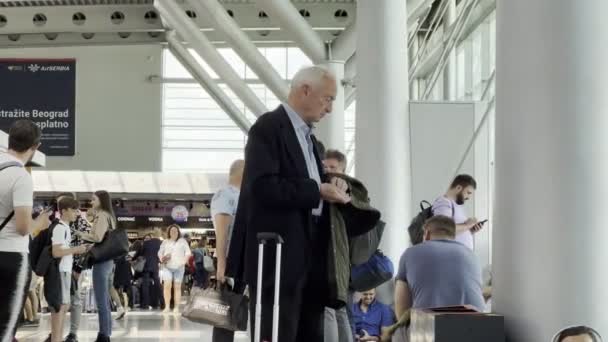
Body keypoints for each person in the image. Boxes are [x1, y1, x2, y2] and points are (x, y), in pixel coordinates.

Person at [227, 65, 351, 341]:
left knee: (310, 331)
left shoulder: (309, 139)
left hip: (309, 257)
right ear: (305, 90)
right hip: (277, 257)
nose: (330, 108)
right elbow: (262, 186)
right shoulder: (269, 129)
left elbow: (304, 181)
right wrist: (317, 190)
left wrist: (332, 184)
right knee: (278, 331)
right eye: (328, 98)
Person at [0, 120, 50, 342]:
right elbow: (22, 227)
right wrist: (39, 223)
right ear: (35, 146)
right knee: (5, 329)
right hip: (12, 258)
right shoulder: (21, 177)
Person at [394, 216, 485, 320]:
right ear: (453, 235)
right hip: (477, 324)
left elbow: (401, 310)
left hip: (431, 326)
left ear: (426, 233)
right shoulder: (472, 255)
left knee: (399, 330)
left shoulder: (410, 253)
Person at [75, 191, 117, 342]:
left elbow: (97, 237)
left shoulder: (102, 215)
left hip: (101, 260)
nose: (91, 202)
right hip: (109, 260)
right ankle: (106, 333)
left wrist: (80, 234)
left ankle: (104, 335)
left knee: (101, 300)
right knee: (104, 299)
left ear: (101, 200)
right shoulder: (110, 216)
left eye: (94, 199)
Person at [211, 159, 244, 342]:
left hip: (240, 258)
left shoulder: (241, 195)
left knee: (232, 311)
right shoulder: (225, 194)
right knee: (224, 315)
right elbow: (222, 232)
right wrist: (222, 266)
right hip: (230, 259)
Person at [322, 149, 353, 342]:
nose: (328, 170)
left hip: (335, 261)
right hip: (343, 263)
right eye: (325, 166)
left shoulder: (346, 192)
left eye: (333, 167)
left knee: (328, 310)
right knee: (340, 310)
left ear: (343, 170)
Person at [49, 197, 88, 342]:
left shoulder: (65, 227)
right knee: (60, 309)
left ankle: (57, 338)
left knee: (63, 307)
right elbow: (56, 252)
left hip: (65, 270)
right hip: (60, 271)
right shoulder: (60, 228)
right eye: (73, 209)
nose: (76, 213)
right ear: (64, 211)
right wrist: (76, 249)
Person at [432, 174, 484, 250]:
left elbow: (456, 232)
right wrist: (467, 225)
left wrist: (470, 230)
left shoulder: (457, 206)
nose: (468, 197)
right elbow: (443, 230)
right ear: (458, 188)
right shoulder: (443, 202)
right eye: (468, 193)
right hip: (452, 257)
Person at [158, 224, 191, 314]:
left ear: (178, 232)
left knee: (177, 287)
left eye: (175, 231)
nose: (174, 232)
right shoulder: (165, 242)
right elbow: (160, 253)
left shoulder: (183, 241)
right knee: (167, 286)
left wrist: (184, 261)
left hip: (179, 268)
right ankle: (167, 307)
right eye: (172, 231)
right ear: (169, 232)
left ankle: (176, 307)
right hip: (167, 267)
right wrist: (162, 258)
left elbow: (188, 253)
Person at [134, 233, 162, 310]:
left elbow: (139, 254)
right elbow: (160, 254)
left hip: (146, 267)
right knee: (157, 284)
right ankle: (162, 303)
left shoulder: (144, 245)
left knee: (145, 286)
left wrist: (133, 259)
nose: (146, 240)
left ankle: (145, 304)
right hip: (155, 267)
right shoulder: (158, 244)